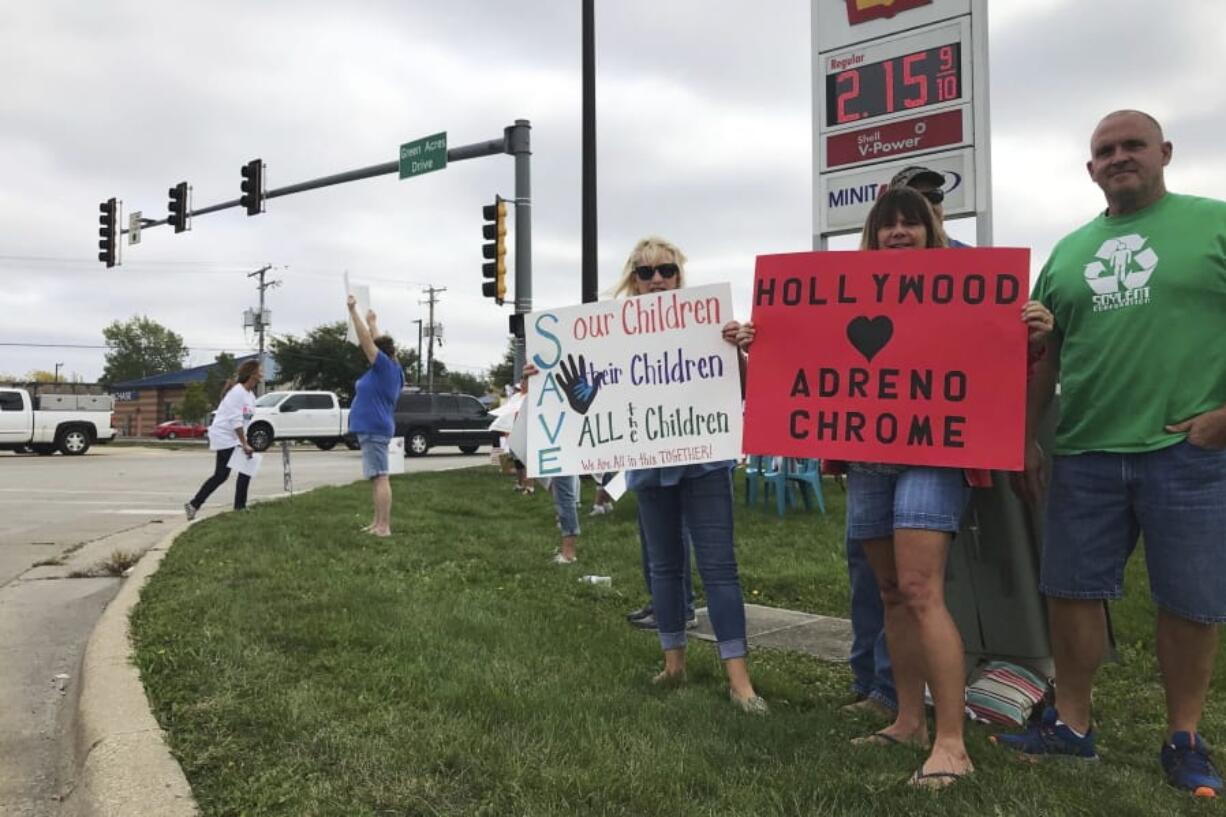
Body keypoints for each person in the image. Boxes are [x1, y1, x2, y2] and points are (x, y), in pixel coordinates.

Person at [738, 189, 1051, 786]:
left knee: (919, 588)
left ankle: (952, 742)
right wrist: (761, 341)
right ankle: (906, 720)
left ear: (931, 228)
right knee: (889, 591)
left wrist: (1030, 334)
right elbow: (797, 359)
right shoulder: (846, 293)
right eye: (888, 225)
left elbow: (1003, 365)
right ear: (873, 237)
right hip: (868, 457)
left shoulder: (965, 288)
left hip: (934, 456)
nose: (899, 233)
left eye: (912, 222)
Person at [993, 110, 1226, 799]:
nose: (1119, 156)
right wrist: (1028, 436)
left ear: (1166, 153)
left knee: (1189, 598)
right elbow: (1043, 357)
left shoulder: (1213, 223)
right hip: (1086, 449)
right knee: (1070, 589)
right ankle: (1071, 724)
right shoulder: (1066, 253)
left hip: (1185, 448)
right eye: (1105, 150)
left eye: (1132, 145)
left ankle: (1183, 735)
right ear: (1090, 169)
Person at [617, 236, 766, 714]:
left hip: (705, 460)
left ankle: (738, 679)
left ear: (680, 275)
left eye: (666, 270)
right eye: (646, 273)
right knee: (663, 565)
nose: (657, 279)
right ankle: (673, 662)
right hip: (649, 463)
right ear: (634, 283)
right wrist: (548, 374)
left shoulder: (711, 327)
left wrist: (740, 351)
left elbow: (742, 389)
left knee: (719, 567)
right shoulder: (611, 333)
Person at [346, 295, 405, 537]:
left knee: (380, 477)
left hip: (375, 428)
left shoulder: (383, 367)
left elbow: (367, 342)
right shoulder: (393, 369)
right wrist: (373, 322)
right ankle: (377, 522)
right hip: (376, 428)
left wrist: (353, 311)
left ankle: (384, 527)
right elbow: (377, 341)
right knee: (377, 477)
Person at [185, 359, 261, 519]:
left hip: (233, 437)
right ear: (252, 374)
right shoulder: (237, 392)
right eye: (259, 371)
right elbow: (235, 421)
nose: (262, 374)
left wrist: (244, 440)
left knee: (221, 475)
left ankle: (194, 504)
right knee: (246, 467)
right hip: (224, 437)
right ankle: (239, 508)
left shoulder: (250, 395)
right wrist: (244, 444)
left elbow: (245, 420)